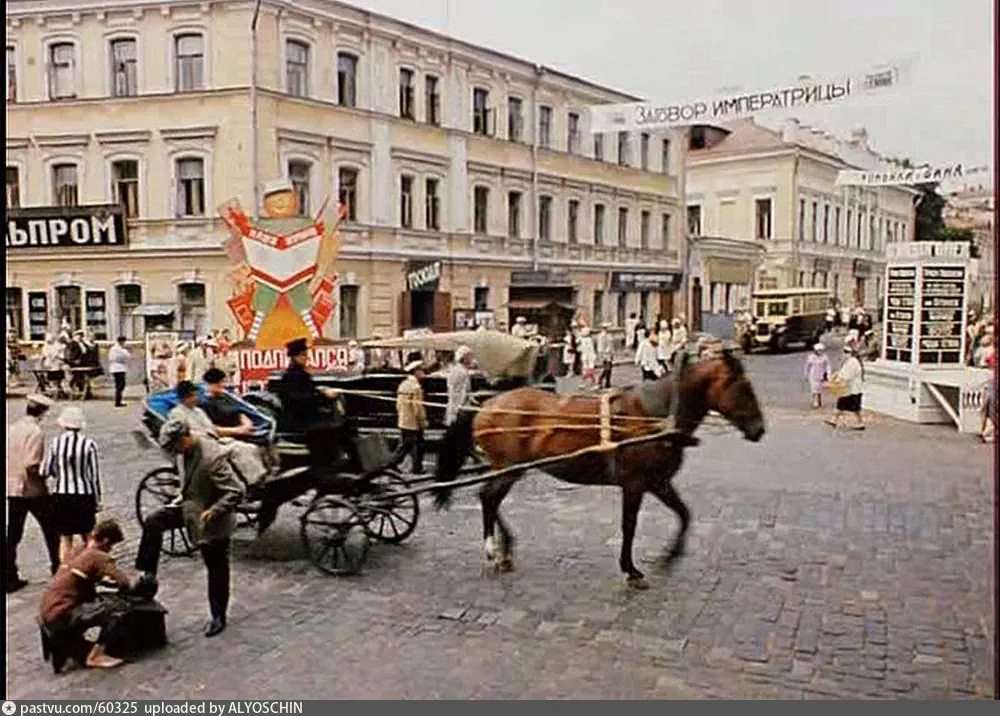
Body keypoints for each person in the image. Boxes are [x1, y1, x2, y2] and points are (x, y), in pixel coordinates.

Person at [137, 419, 246, 637]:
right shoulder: (184, 453)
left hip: (212, 519)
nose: (175, 452)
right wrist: (178, 500)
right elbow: (187, 483)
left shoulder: (211, 458)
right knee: (153, 522)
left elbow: (236, 490)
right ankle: (148, 575)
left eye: (176, 446)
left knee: (216, 567)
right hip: (190, 506)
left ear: (185, 438)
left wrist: (215, 510)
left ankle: (218, 616)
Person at [39, 519, 137, 669]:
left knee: (95, 605)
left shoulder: (79, 549)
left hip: (49, 608)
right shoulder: (97, 556)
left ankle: (75, 645)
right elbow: (124, 582)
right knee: (117, 610)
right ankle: (96, 656)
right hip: (63, 612)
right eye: (111, 545)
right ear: (105, 540)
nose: (110, 549)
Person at [6, 394, 62, 592]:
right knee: (51, 529)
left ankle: (9, 575)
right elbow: (32, 464)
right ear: (42, 412)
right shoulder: (35, 432)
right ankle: (57, 568)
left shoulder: (13, 428)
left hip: (12, 486)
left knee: (13, 533)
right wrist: (46, 477)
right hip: (32, 489)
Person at [43, 406, 103, 564]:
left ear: (63, 424)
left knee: (65, 539)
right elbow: (94, 476)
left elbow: (45, 470)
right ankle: (92, 570)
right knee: (88, 536)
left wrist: (58, 472)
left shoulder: (55, 443)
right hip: (84, 494)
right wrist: (97, 500)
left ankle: (66, 572)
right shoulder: (89, 445)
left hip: (62, 494)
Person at [275, 338, 342, 467]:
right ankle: (326, 464)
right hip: (298, 420)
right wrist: (324, 397)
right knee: (331, 429)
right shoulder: (292, 376)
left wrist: (319, 391)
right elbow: (300, 400)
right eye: (303, 355)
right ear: (295, 357)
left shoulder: (300, 374)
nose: (306, 358)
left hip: (304, 416)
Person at [392, 359, 428, 475]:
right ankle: (417, 468)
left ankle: (393, 464)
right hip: (413, 422)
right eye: (421, 370)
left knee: (405, 445)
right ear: (416, 372)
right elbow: (417, 407)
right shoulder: (416, 388)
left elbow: (398, 404)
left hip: (403, 420)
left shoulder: (403, 385)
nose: (423, 372)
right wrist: (423, 421)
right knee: (418, 446)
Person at [825, 345, 865, 430]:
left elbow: (847, 376)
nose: (843, 355)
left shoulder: (853, 362)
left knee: (855, 408)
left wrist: (836, 380)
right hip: (847, 388)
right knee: (840, 405)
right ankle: (834, 420)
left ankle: (860, 423)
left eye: (845, 353)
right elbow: (842, 373)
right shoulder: (849, 362)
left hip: (853, 389)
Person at [445, 345, 473, 426]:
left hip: (460, 406)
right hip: (458, 406)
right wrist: (459, 406)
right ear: (463, 357)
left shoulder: (462, 370)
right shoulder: (459, 371)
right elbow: (456, 390)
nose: (471, 358)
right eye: (469, 356)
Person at [41, 333, 67, 399]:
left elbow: (61, 355)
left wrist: (57, 355)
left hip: (57, 364)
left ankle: (58, 392)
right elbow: (45, 354)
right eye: (48, 340)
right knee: (52, 380)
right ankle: (55, 392)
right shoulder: (45, 346)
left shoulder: (57, 346)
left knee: (59, 379)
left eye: (50, 339)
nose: (49, 341)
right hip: (50, 365)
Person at [804, 343, 830, 409]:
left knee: (819, 389)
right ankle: (815, 401)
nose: (820, 352)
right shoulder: (811, 357)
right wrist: (806, 374)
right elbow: (807, 366)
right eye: (818, 350)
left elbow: (828, 366)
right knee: (814, 388)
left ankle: (818, 399)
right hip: (813, 375)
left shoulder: (825, 357)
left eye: (821, 350)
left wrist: (828, 374)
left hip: (821, 375)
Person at [108, 336, 130, 407]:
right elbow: (124, 356)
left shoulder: (120, 348)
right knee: (120, 385)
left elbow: (127, 356)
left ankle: (119, 400)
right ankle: (118, 401)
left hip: (120, 368)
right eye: (124, 342)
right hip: (118, 369)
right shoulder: (116, 349)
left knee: (121, 385)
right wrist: (124, 355)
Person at [597, 322, 614, 389]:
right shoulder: (602, 336)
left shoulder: (609, 335)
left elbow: (611, 346)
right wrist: (601, 355)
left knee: (609, 369)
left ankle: (608, 383)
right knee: (606, 369)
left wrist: (612, 354)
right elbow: (600, 346)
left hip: (609, 354)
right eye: (606, 328)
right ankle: (600, 380)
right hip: (605, 354)